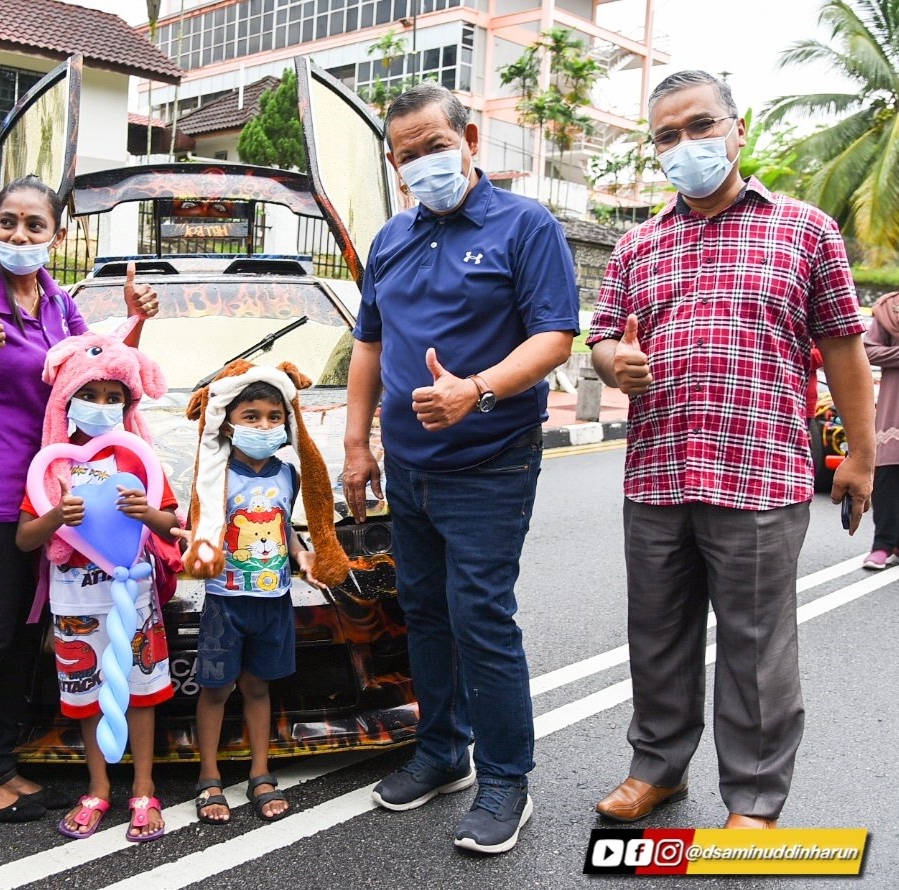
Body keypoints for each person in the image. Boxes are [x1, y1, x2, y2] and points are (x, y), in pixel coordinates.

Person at [588, 70, 876, 830]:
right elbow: (603, 338)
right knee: (656, 636)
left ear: (737, 128)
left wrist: (862, 456)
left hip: (762, 472)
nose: (687, 145)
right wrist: (611, 361)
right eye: (668, 136)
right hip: (657, 472)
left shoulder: (805, 229)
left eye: (700, 125)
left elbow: (844, 349)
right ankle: (657, 766)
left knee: (755, 651)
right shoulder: (637, 243)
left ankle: (753, 800)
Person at [342, 82, 579, 854]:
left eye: (435, 147)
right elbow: (369, 346)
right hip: (408, 465)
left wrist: (475, 390)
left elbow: (554, 338)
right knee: (426, 614)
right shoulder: (390, 238)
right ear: (393, 162)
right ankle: (442, 752)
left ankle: (507, 779)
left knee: (480, 615)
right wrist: (356, 444)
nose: (423, 164)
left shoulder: (525, 226)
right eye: (407, 155)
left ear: (470, 140)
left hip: (490, 462)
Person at [0, 175, 158, 823]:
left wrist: (136, 318)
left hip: (55, 497)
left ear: (56, 236)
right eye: (8, 222)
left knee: (24, 637)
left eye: (35, 225)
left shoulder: (59, 305)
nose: (20, 235)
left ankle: (3, 763)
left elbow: (100, 369)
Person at [16, 322, 179, 842]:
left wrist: (148, 514)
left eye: (113, 396)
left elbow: (173, 524)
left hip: (134, 597)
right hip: (75, 602)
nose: (101, 404)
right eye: (89, 394)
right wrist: (55, 517)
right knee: (88, 693)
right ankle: (98, 787)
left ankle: (144, 788)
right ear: (66, 399)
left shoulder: (138, 457)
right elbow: (25, 538)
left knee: (141, 691)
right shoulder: (53, 466)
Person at [180, 362, 351, 825]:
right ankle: (209, 776)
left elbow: (285, 530)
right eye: (251, 416)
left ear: (287, 421)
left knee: (259, 688)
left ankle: (260, 773)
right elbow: (197, 530)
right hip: (225, 603)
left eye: (274, 416)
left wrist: (305, 555)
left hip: (273, 603)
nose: (263, 425)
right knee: (215, 690)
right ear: (227, 421)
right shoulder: (214, 476)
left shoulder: (288, 475)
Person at [863, 293, 899, 570]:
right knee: (888, 475)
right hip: (894, 406)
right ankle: (882, 545)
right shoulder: (890, 308)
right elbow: (868, 348)